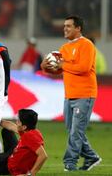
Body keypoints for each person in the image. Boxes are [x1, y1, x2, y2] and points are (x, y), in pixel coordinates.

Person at [41, 15, 101, 171]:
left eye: (68, 26)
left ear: (78, 28)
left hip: (85, 94)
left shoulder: (87, 45)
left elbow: (84, 68)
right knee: (72, 130)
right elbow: (59, 70)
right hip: (69, 95)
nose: (65, 29)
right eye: (64, 26)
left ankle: (70, 163)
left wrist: (63, 64)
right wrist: (45, 67)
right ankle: (91, 157)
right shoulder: (64, 48)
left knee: (76, 131)